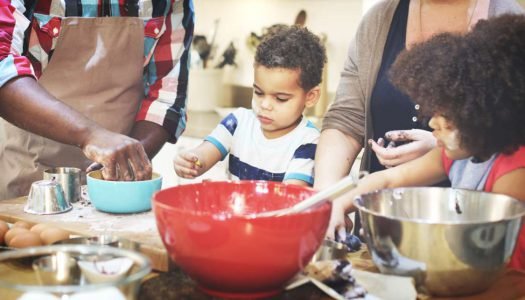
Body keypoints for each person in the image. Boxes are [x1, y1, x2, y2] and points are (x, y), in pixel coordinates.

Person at [328, 14, 525, 269]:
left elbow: (498, 258)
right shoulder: (455, 155)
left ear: (486, 115)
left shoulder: (514, 171)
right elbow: (389, 180)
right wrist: (338, 204)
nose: (432, 124)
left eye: (447, 118)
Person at [0, 0, 194, 199]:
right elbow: (2, 67)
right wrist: (91, 136)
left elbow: (165, 97)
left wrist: (127, 161)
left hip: (114, 183)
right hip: (29, 171)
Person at [173, 26, 326, 186]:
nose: (265, 105)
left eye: (280, 98)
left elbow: (291, 194)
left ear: (310, 97)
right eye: (259, 93)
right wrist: (190, 161)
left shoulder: (308, 142)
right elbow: (203, 155)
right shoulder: (238, 122)